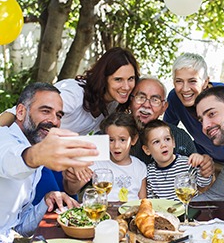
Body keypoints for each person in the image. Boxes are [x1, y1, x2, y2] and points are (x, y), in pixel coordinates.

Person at [0, 47, 140, 199]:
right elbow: (18, 111)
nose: (126, 86)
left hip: (61, 157)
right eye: (118, 79)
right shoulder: (74, 93)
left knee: (68, 205)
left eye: (131, 79)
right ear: (104, 78)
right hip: (34, 153)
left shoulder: (112, 104)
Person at [0, 83, 100, 240]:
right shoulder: (4, 138)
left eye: (59, 115)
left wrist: (47, 201)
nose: (54, 121)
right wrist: (37, 156)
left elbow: (20, 227)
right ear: (20, 112)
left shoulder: (34, 147)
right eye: (45, 111)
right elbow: (10, 160)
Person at [163, 53, 224, 164]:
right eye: (179, 81)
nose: (185, 88)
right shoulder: (174, 99)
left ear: (205, 81)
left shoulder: (222, 94)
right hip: (210, 159)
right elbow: (166, 129)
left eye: (192, 81)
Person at [128, 75, 214, 178]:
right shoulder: (115, 134)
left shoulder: (179, 138)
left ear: (164, 107)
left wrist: (205, 169)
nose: (147, 105)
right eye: (141, 97)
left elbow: (200, 185)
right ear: (130, 101)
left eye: (155, 100)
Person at [65, 112, 147, 202]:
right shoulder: (97, 163)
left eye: (122, 140)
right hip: (104, 212)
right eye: (111, 140)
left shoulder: (140, 167)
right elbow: (71, 190)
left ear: (134, 139)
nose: (116, 146)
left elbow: (143, 201)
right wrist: (76, 176)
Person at [140, 119, 213, 199]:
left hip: (190, 209)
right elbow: (152, 198)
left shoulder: (187, 163)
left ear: (173, 143)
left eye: (167, 139)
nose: (163, 145)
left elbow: (204, 184)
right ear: (147, 150)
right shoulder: (150, 172)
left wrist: (201, 164)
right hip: (164, 210)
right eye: (156, 142)